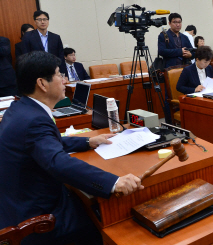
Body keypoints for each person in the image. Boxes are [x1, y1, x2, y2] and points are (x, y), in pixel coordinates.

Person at [0, 51, 143, 244]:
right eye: (59, 75)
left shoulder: (20, 109)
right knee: (98, 221)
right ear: (42, 84)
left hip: (14, 201)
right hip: (36, 216)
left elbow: (44, 143)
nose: (65, 80)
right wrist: (113, 183)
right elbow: (58, 162)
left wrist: (87, 142)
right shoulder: (34, 120)